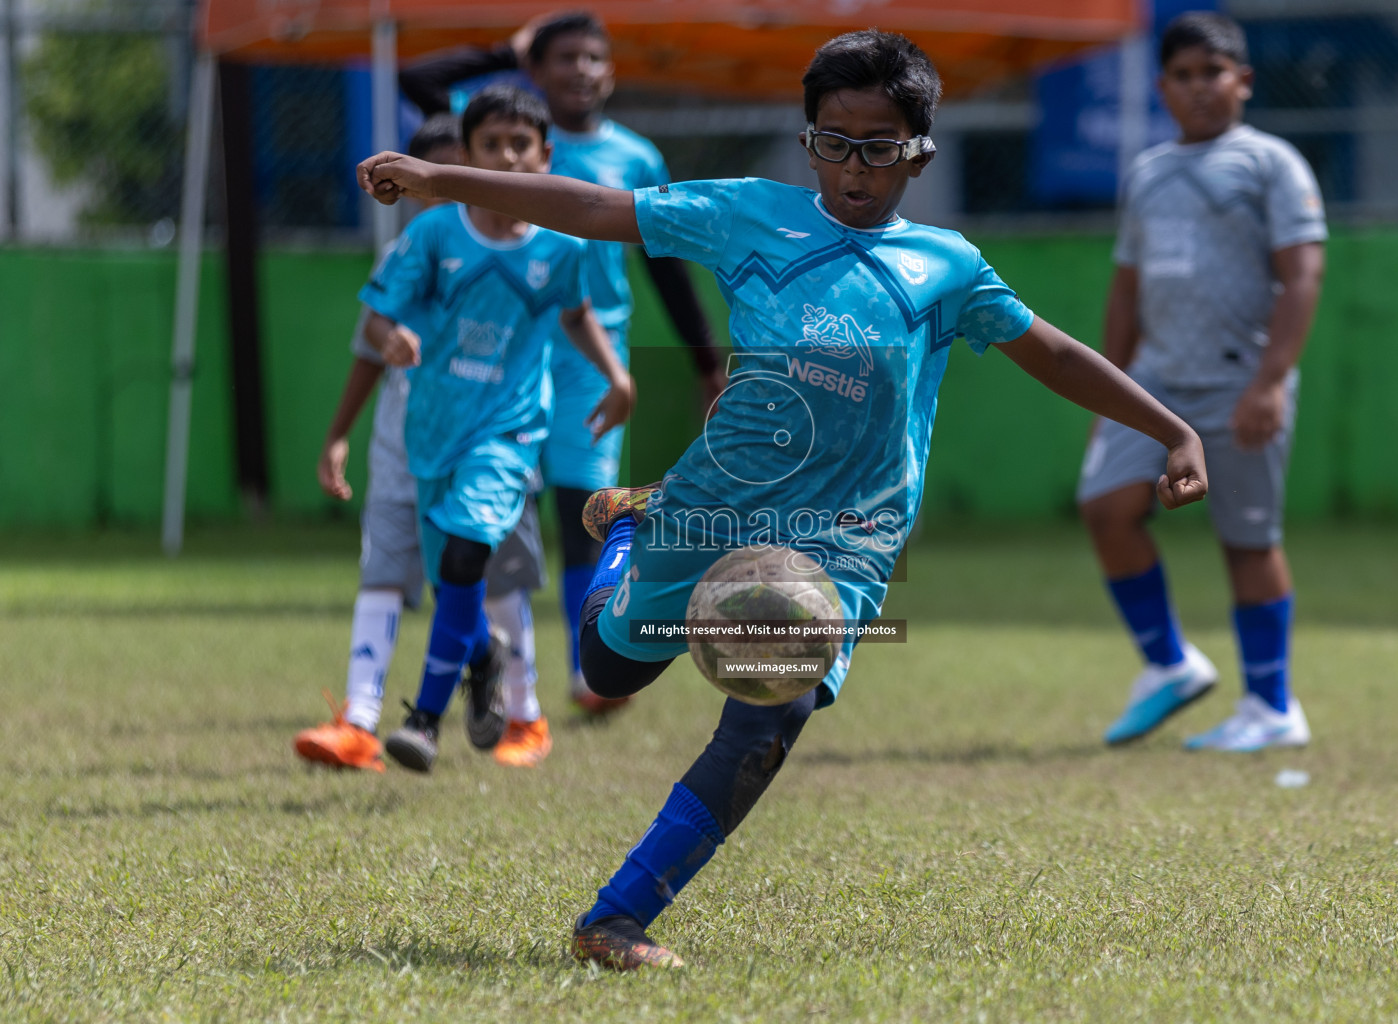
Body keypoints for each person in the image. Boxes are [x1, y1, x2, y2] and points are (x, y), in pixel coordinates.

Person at [358, 29, 1207, 967]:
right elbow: (597, 206)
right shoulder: (747, 214)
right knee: (609, 672)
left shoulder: (948, 268)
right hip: (713, 502)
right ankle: (632, 534)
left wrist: (1172, 428)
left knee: (775, 707)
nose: (854, 166)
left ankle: (615, 919)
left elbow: (1050, 349)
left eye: (879, 145)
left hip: (845, 538)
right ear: (809, 141)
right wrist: (448, 181)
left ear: (918, 152)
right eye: (833, 141)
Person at [401, 11, 728, 717]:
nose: (580, 69)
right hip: (501, 360)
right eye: (564, 58)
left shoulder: (635, 158)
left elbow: (666, 268)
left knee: (584, 508)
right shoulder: (495, 131)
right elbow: (416, 79)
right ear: (537, 71)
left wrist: (707, 362)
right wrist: (503, 48)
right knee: (485, 525)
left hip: (588, 355)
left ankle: (589, 671)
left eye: (593, 58)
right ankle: (505, 677)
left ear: (610, 73)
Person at [360, 85, 633, 774]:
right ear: (467, 156)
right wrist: (390, 337)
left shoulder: (562, 247)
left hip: (509, 432)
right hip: (432, 430)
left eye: (521, 146)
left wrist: (617, 377)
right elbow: (374, 317)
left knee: (464, 558)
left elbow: (576, 315)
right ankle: (482, 658)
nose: (507, 158)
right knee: (457, 581)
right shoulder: (433, 234)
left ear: (545, 158)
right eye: (492, 146)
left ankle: (423, 719)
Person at [1079, 12, 1327, 753]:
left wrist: (1270, 381)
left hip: (1238, 384)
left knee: (1247, 542)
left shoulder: (1270, 163)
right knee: (1104, 507)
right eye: (1182, 76)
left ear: (1243, 81)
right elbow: (1125, 290)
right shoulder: (1148, 172)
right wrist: (1109, 388)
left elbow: (1303, 274)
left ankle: (1272, 707)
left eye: (1213, 73)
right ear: (1162, 88)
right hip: (1154, 385)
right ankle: (1169, 665)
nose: (1199, 88)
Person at [294, 114, 554, 773]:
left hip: (489, 446)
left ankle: (525, 713)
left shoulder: (533, 251)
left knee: (490, 580)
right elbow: (367, 348)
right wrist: (337, 437)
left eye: (456, 176)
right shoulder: (407, 256)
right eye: (430, 178)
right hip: (402, 445)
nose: (445, 190)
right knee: (385, 571)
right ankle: (357, 721)